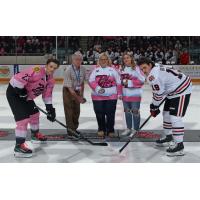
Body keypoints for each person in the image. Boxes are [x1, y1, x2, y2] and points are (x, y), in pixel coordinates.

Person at [138, 57, 192, 156]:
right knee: (166, 114)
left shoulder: (153, 77)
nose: (143, 71)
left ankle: (179, 145)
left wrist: (154, 106)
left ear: (150, 65)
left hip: (181, 90)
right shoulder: (156, 66)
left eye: (144, 68)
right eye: (141, 69)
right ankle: (169, 137)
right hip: (172, 90)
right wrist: (154, 106)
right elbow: (161, 92)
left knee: (175, 117)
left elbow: (158, 95)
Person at [6, 59, 60, 158]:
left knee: (35, 114)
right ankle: (19, 146)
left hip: (26, 97)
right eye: (51, 66)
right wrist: (21, 90)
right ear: (46, 65)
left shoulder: (51, 80)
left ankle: (35, 135)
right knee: (23, 119)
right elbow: (17, 78)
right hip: (14, 93)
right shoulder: (37, 70)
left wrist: (50, 109)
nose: (52, 69)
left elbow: (47, 95)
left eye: (54, 68)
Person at [88, 52, 122, 138]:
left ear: (108, 60)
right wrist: (98, 89)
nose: (103, 61)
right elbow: (91, 81)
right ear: (99, 60)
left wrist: (119, 93)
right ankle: (101, 129)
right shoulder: (95, 70)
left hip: (111, 96)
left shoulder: (113, 70)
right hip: (97, 96)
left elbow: (118, 82)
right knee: (99, 113)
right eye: (101, 59)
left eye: (105, 59)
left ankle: (110, 129)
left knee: (110, 113)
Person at [63, 52, 87, 139]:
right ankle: (70, 132)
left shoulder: (83, 69)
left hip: (77, 91)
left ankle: (74, 128)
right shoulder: (68, 70)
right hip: (68, 91)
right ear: (73, 60)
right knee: (69, 111)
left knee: (77, 111)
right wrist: (79, 98)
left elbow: (82, 83)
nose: (78, 61)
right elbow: (70, 89)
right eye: (76, 59)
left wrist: (81, 95)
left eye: (80, 59)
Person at [120, 54, 145, 136]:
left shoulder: (137, 68)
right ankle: (129, 128)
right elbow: (120, 82)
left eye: (127, 58)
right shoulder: (122, 69)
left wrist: (130, 83)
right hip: (125, 95)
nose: (126, 59)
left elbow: (142, 80)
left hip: (135, 94)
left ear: (131, 58)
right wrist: (120, 93)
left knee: (135, 112)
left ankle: (136, 129)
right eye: (124, 58)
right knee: (127, 112)